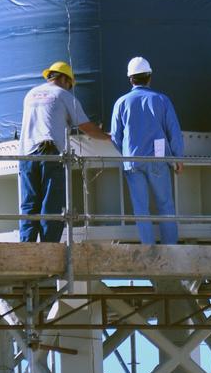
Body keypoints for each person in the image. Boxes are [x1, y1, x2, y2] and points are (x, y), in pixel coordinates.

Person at [18, 61, 110, 242]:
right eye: (69, 84)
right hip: (50, 153)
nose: (70, 87)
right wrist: (107, 137)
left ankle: (25, 247)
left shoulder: (30, 95)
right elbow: (86, 127)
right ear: (63, 78)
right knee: (51, 205)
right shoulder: (63, 95)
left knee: (29, 204)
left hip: (26, 154)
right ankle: (49, 249)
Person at [111, 57, 184, 245]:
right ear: (149, 77)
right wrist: (178, 158)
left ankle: (148, 249)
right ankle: (171, 249)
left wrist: (127, 153)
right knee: (165, 205)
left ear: (130, 79)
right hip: (158, 159)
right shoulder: (161, 100)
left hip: (132, 161)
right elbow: (173, 131)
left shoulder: (121, 103)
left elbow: (115, 137)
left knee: (141, 209)